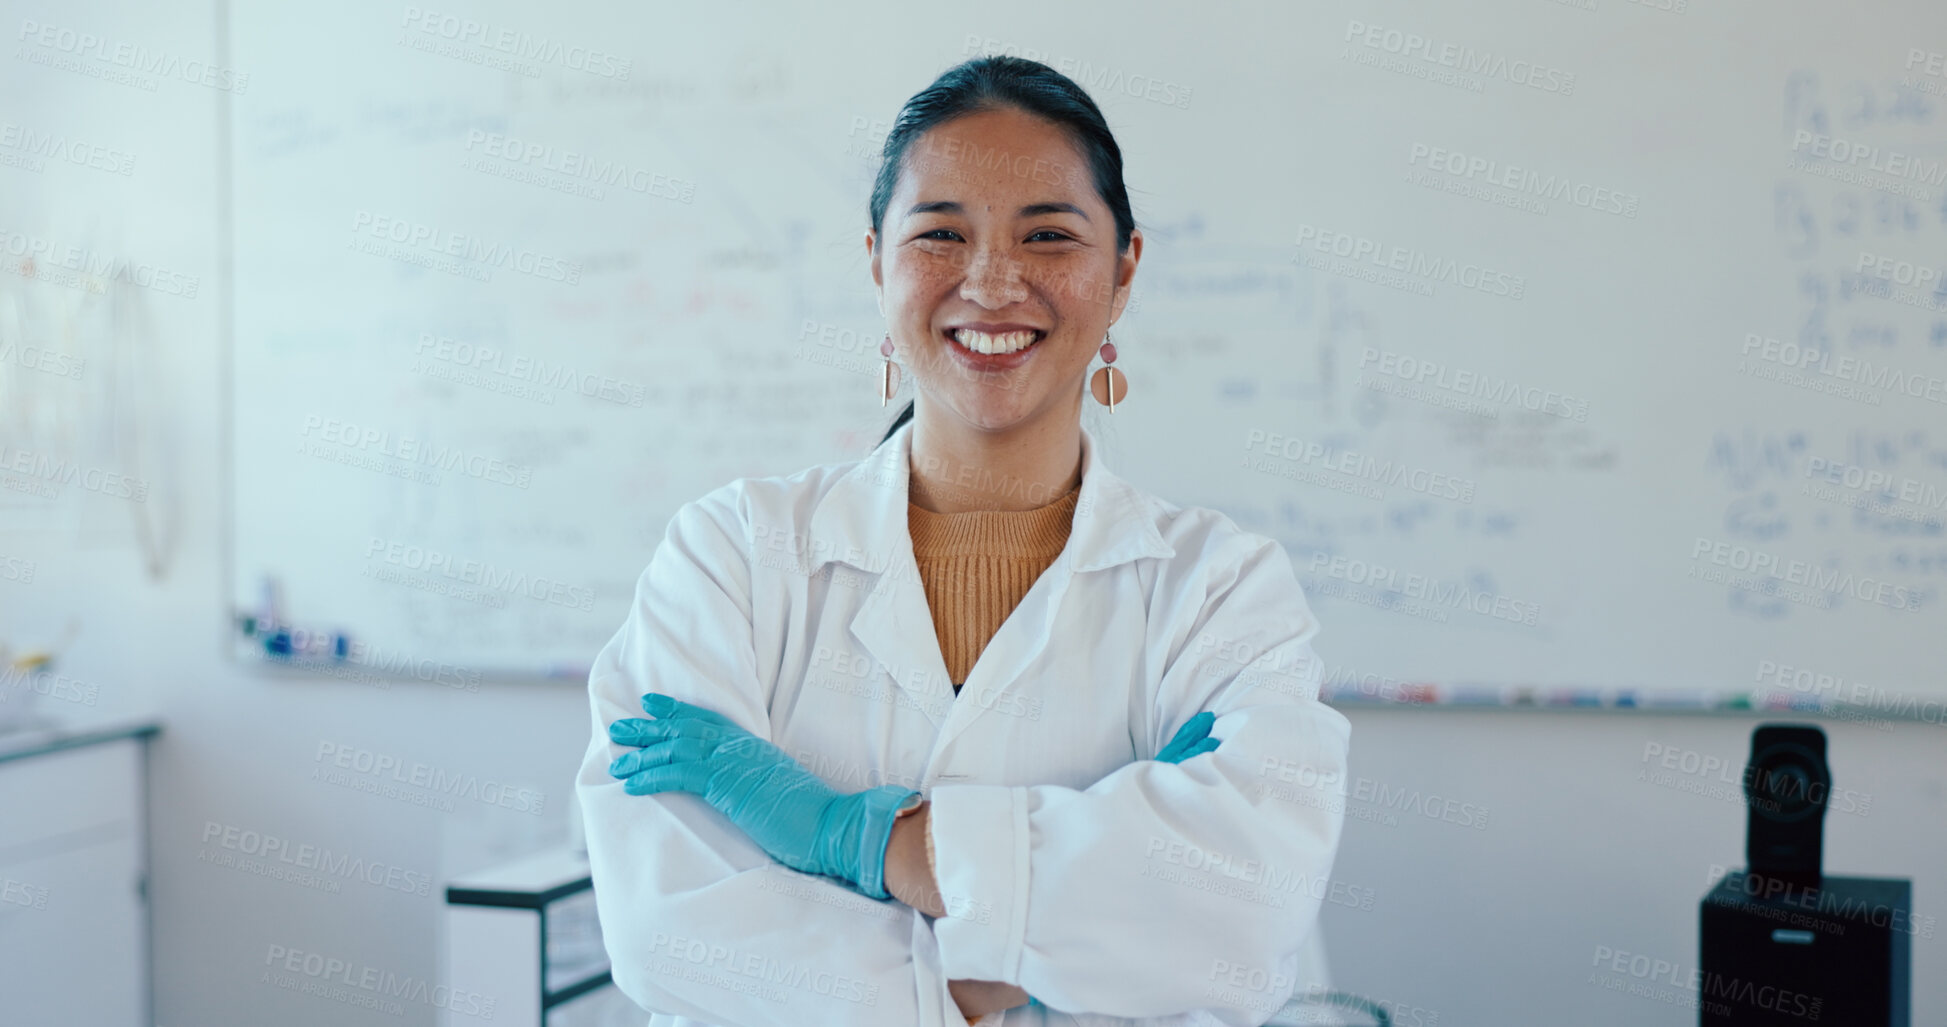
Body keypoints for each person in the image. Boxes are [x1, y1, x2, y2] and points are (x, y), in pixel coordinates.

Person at [574, 55, 1351, 1026]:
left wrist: (862, 840)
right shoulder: (729, 556)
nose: (991, 280)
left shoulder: (1222, 593)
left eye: (1050, 235)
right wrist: (1004, 970)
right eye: (941, 233)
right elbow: (670, 933)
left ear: (1124, 271)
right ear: (875, 262)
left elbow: (1236, 926)